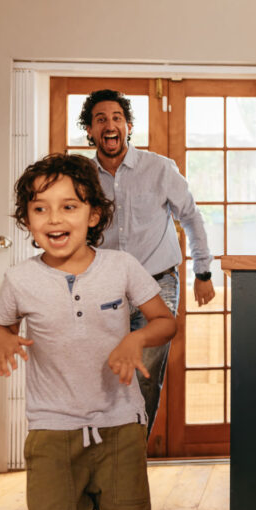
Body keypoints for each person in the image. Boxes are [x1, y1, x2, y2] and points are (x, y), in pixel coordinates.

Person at [0, 153, 177, 510]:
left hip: (120, 427)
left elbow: (165, 321)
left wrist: (135, 338)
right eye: (40, 208)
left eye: (69, 206)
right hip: (52, 431)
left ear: (93, 214)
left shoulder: (121, 268)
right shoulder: (20, 279)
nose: (54, 219)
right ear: (27, 219)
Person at [78, 89, 215, 434]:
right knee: (103, 374)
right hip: (102, 286)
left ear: (128, 126)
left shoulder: (159, 168)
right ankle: (104, 453)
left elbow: (191, 217)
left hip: (158, 283)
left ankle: (131, 456)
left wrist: (203, 271)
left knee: (145, 377)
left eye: (117, 118)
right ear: (90, 131)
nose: (110, 125)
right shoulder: (81, 176)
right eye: (101, 119)